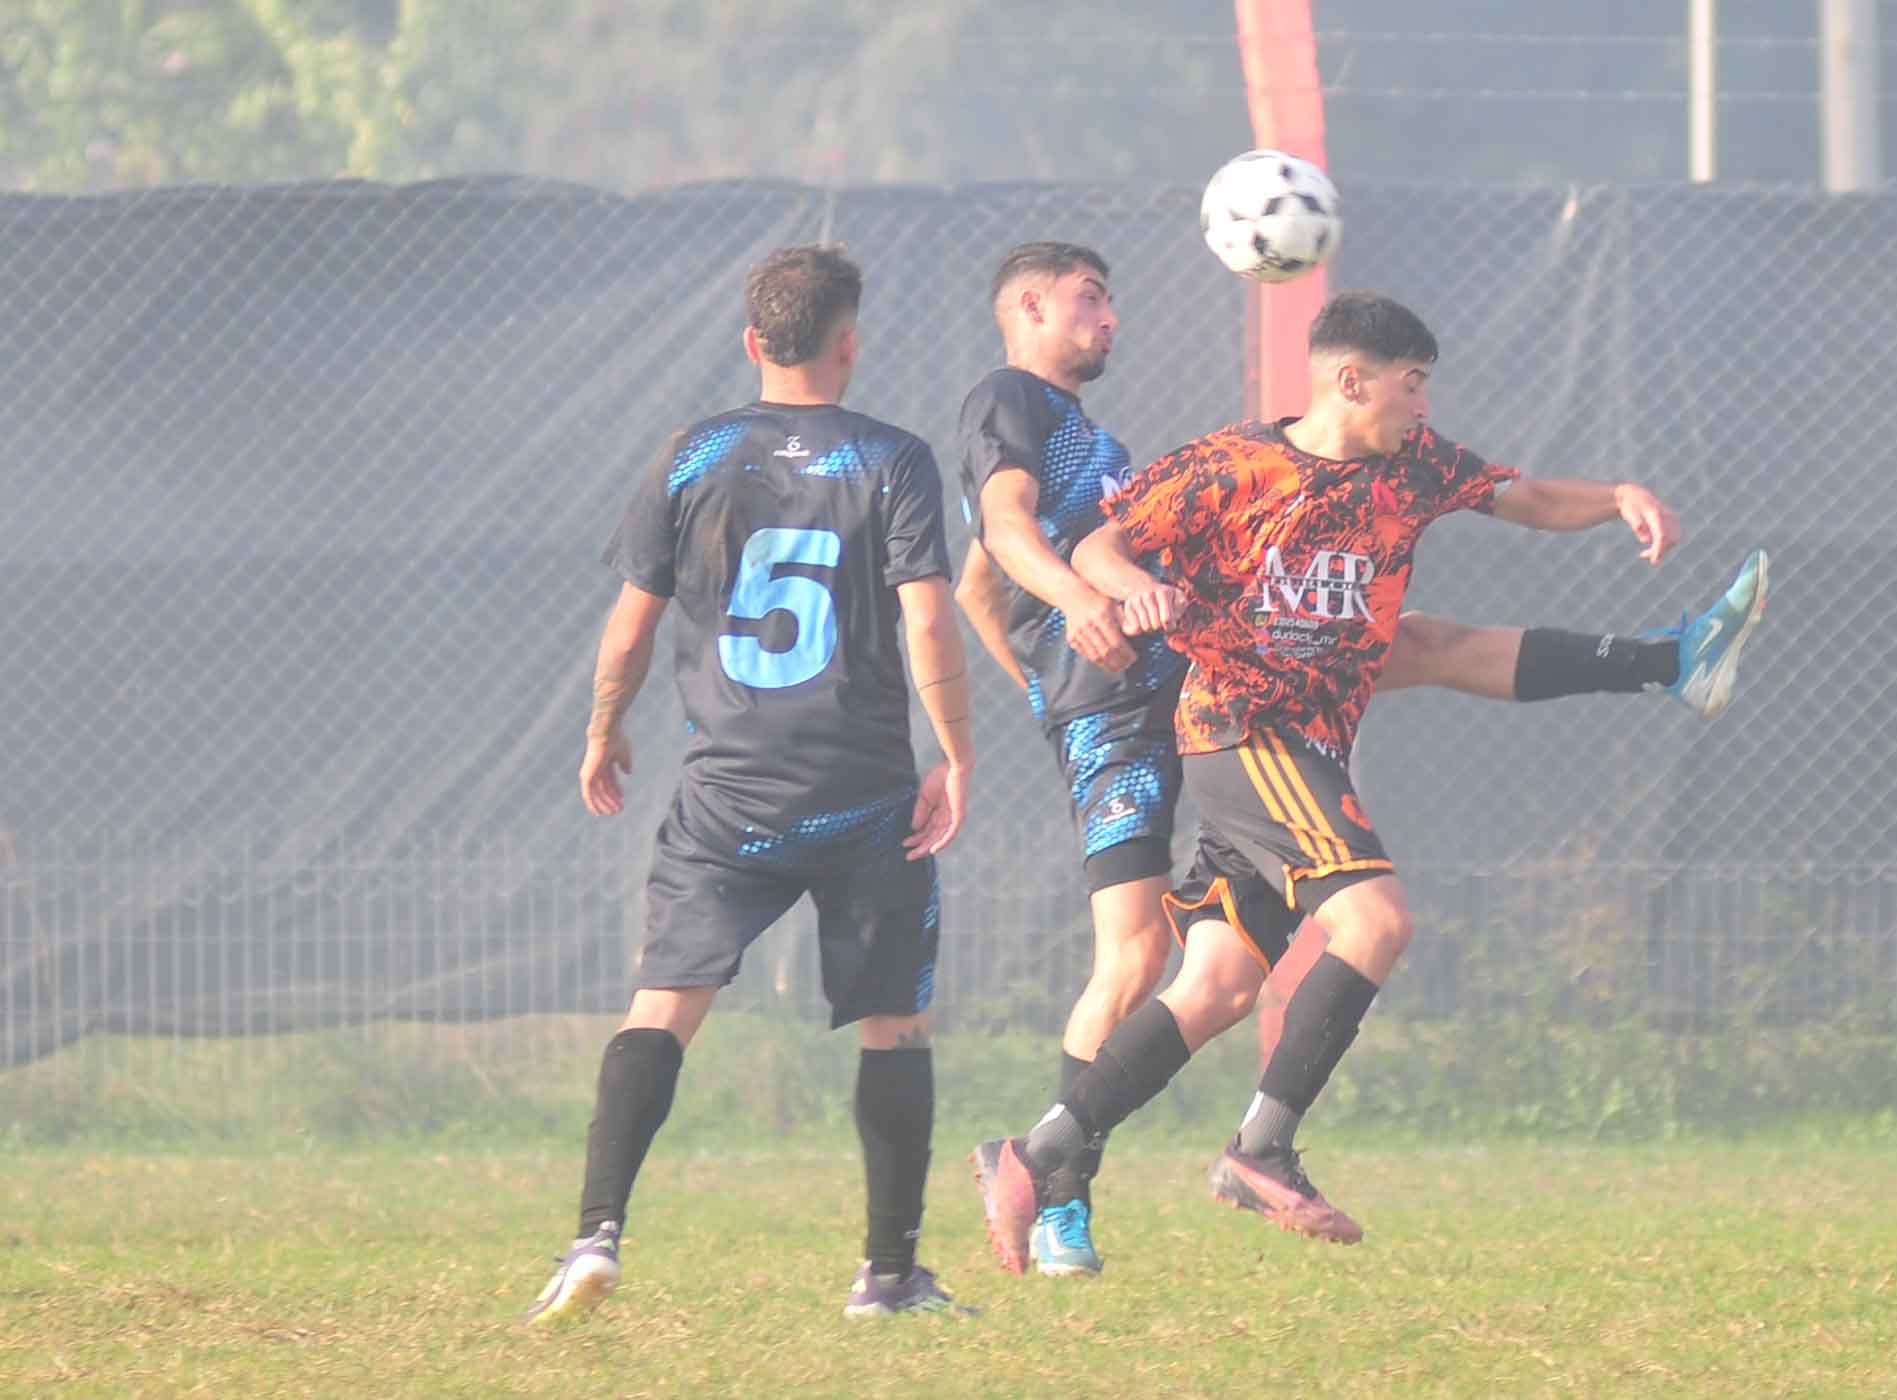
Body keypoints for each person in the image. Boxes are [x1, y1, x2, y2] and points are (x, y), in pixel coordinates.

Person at [952, 252, 1767, 1275]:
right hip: (1250, 730)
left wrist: (1619, 497)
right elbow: (1103, 548)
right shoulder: (1233, 466)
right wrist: (1125, 588)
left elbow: (1524, 494)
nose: (1422, 401)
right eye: (1410, 382)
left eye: (1425, 383)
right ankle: (1262, 1148)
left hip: (1307, 739)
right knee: (1376, 918)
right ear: (1351, 380)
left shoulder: (1412, 464)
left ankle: (1036, 1156)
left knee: (1214, 986)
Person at [526, 245, 974, 1323]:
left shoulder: (696, 452)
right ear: (849, 342)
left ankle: (595, 1236)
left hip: (727, 795)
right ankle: (887, 1273)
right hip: (865, 793)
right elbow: (925, 612)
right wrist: (956, 752)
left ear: (751, 341)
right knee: (892, 1022)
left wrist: (603, 727)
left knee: (661, 1006)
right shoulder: (893, 458)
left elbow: (631, 620)